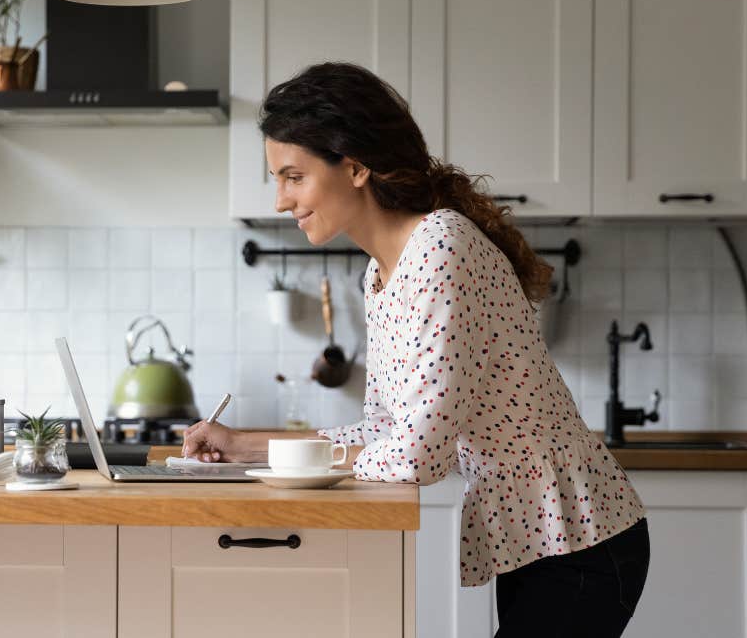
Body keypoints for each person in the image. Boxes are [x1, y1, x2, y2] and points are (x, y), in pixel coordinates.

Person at [182, 62, 650, 637]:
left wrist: (283, 461)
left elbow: (416, 457)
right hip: (538, 538)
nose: (281, 200)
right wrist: (243, 446)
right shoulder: (380, 277)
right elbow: (384, 434)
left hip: (580, 536)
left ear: (354, 167)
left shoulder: (440, 249)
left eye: (293, 177)